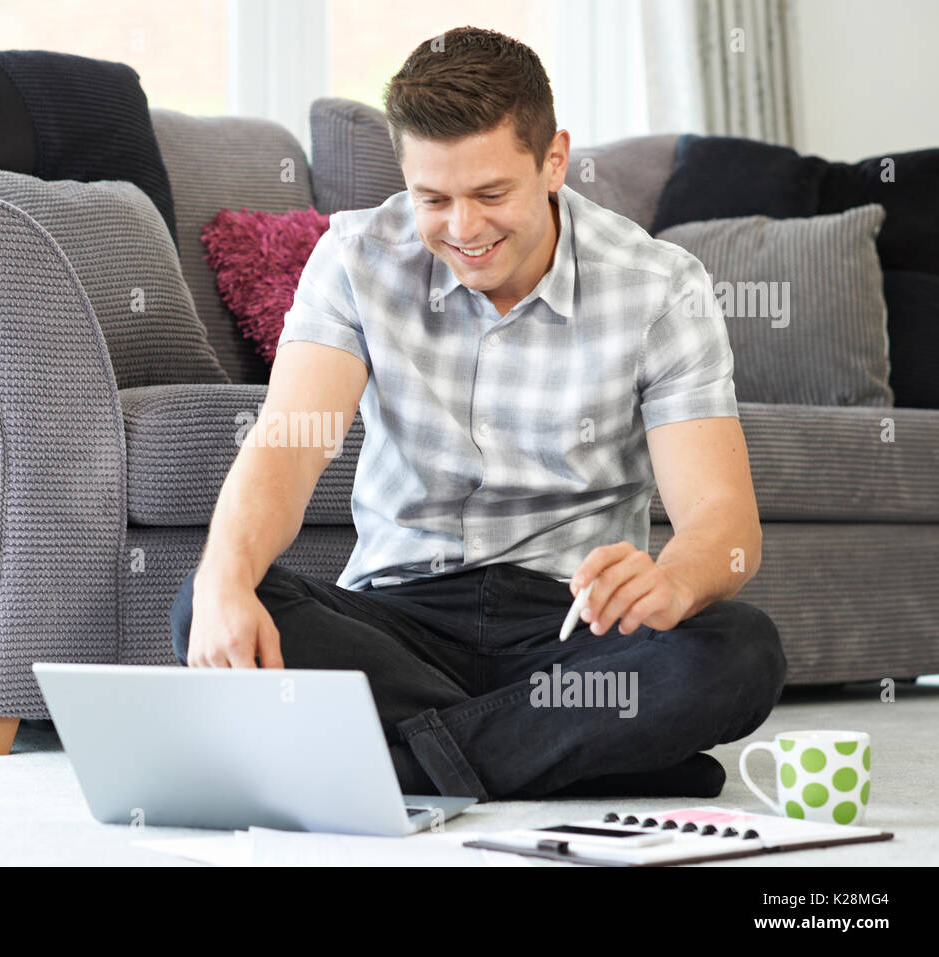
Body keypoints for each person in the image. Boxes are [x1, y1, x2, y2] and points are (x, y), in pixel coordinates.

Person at [170, 25, 786, 801]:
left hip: (572, 631)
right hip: (396, 622)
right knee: (211, 594)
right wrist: (227, 579)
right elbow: (289, 448)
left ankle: (405, 763)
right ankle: (572, 755)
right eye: (434, 198)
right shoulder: (357, 259)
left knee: (738, 650)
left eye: (492, 194)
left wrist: (672, 581)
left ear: (554, 159)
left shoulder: (660, 286)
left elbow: (724, 522)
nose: (463, 229)